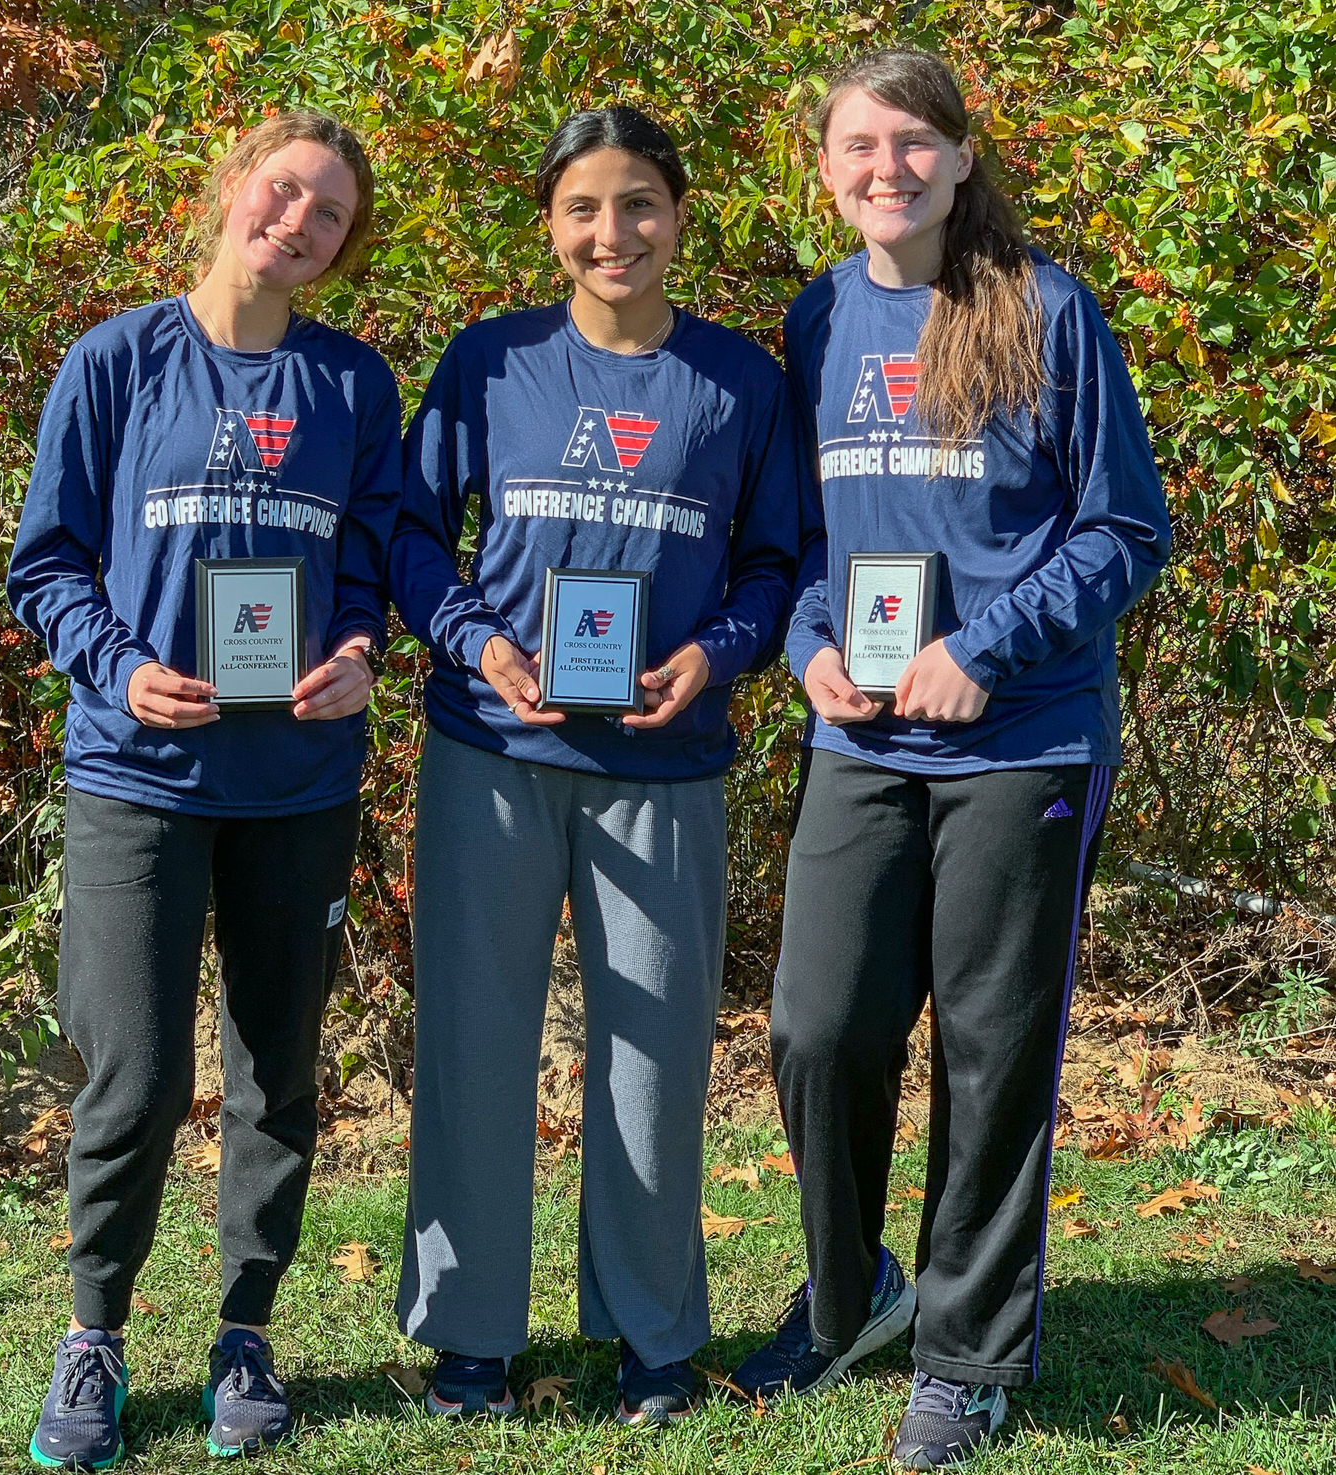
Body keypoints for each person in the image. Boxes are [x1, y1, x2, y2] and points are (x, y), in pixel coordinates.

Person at [728, 49, 1171, 1471]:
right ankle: (853, 1293)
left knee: (990, 1048)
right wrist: (806, 647)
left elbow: (1124, 529)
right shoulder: (817, 316)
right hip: (859, 735)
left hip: (1023, 735)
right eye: (859, 146)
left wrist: (985, 649)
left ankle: (967, 1356)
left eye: (915, 143)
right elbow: (803, 547)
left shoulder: (1045, 310)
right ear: (825, 168)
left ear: (963, 159)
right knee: (818, 1026)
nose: (888, 168)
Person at [388, 105, 800, 1426]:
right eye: (583, 208)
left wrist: (719, 654)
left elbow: (776, 562)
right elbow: (406, 532)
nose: (611, 232)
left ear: (680, 218)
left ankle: (654, 1336)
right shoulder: (492, 364)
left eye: (638, 205)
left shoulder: (743, 382)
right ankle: (469, 1339)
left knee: (655, 1057)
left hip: (664, 762)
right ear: (551, 225)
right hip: (490, 753)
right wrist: (473, 642)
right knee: (475, 1044)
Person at [7, 111, 401, 1467]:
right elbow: (45, 564)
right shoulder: (115, 361)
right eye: (283, 191)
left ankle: (246, 1330)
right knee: (129, 1068)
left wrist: (358, 651)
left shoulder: (353, 387)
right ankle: (95, 1336)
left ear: (342, 251)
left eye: (328, 215)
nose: (296, 222)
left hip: (298, 779)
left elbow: (370, 564)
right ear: (232, 188)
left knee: (272, 1067)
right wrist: (116, 670)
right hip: (140, 774)